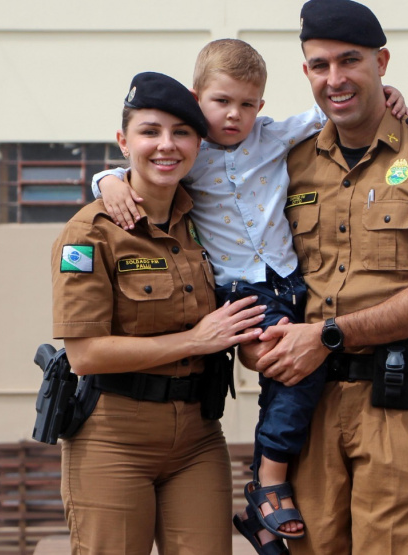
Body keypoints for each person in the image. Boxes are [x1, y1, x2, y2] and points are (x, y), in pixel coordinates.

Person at [90, 39, 408, 555]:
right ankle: (270, 479)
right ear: (197, 99)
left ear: (261, 105)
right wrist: (107, 181)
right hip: (239, 288)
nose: (233, 115)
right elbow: (139, 167)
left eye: (246, 104)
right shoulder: (188, 154)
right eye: (220, 102)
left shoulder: (274, 136)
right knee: (295, 368)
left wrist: (387, 94)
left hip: (290, 280)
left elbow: (334, 111)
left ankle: (263, 498)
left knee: (298, 374)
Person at [241, 1, 408, 554]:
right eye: (319, 65)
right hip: (305, 407)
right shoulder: (288, 161)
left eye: (350, 60)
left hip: (398, 406)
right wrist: (255, 343)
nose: (334, 78)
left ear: (381, 62)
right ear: (306, 72)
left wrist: (328, 335)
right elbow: (222, 212)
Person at [50, 71, 268, 555]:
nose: (167, 145)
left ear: (198, 144)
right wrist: (196, 341)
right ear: (123, 141)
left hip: (197, 436)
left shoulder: (207, 216)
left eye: (181, 132)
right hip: (113, 437)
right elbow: (85, 354)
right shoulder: (90, 233)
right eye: (150, 131)